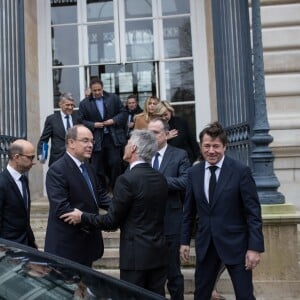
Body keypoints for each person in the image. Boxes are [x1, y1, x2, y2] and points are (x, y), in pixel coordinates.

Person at [61, 129, 169, 296]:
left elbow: (111, 222)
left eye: (127, 144)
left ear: (133, 148)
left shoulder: (127, 179)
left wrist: (82, 216)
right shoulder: (160, 177)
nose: (124, 147)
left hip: (135, 257)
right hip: (158, 253)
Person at [180, 121, 264, 300]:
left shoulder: (241, 171)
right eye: (207, 146)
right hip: (206, 245)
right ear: (201, 146)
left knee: (244, 295)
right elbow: (188, 211)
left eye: (216, 146)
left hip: (237, 246)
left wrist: (254, 248)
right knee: (201, 294)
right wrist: (184, 241)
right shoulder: (194, 173)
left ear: (225, 147)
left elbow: (253, 213)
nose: (211, 151)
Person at [44, 125, 111, 267]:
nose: (90, 145)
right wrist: (94, 220)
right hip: (68, 246)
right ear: (71, 143)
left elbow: (101, 197)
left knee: (83, 288)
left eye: (92, 141)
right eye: (85, 141)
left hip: (88, 244)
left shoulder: (88, 168)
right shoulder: (57, 170)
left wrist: (120, 207)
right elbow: (63, 209)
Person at [148, 118, 190, 300]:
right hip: (147, 224)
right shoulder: (142, 154)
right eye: (148, 132)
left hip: (171, 222)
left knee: (173, 273)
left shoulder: (179, 155)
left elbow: (186, 181)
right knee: (152, 275)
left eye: (155, 132)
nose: (151, 136)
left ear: (166, 134)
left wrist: (160, 181)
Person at [78, 78, 127, 190]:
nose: (97, 92)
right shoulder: (84, 104)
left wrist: (113, 120)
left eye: (99, 90)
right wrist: (93, 124)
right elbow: (80, 120)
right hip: (95, 139)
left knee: (115, 163)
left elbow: (123, 113)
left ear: (102, 88)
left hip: (112, 137)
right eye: (94, 90)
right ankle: (102, 190)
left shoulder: (113, 98)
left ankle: (115, 188)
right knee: (96, 167)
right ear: (91, 90)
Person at [0, 139, 37, 248]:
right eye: (30, 157)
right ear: (16, 157)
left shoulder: (23, 180)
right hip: (9, 247)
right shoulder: (2, 183)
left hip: (26, 244)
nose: (34, 162)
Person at [37, 92, 78, 166]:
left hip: (75, 158)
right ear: (60, 105)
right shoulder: (52, 119)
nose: (70, 107)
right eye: (67, 105)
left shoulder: (77, 118)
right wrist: (42, 154)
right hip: (57, 159)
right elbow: (44, 139)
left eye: (72, 105)